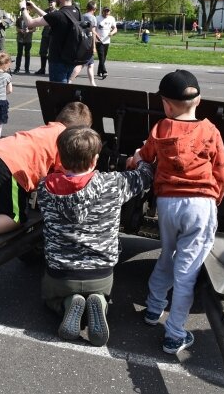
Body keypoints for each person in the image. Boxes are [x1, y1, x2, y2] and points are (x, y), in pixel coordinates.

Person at [127, 69, 224, 355]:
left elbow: (145, 156)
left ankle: (153, 308)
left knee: (168, 254)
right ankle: (174, 334)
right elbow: (222, 171)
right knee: (187, 272)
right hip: (200, 204)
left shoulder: (160, 128)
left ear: (166, 104)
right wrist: (215, 201)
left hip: (168, 204)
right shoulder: (209, 130)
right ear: (199, 101)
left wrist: (132, 159)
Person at [37, 126, 153, 346]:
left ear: (60, 157)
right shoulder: (114, 183)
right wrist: (139, 159)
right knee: (99, 290)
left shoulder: (45, 187)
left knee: (50, 298)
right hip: (101, 273)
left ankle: (66, 304)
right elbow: (146, 176)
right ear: (96, 159)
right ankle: (100, 300)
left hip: (61, 273)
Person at [0, 101, 93, 267]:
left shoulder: (46, 129)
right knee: (17, 217)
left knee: (3, 202)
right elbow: (64, 176)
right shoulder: (66, 142)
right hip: (7, 167)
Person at [19, 0, 80, 83]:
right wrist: (34, 7)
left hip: (58, 62)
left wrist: (23, 8)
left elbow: (30, 23)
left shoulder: (58, 15)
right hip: (71, 60)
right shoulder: (76, 12)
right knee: (66, 92)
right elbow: (49, 18)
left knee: (58, 94)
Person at [68, 1, 97, 86]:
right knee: (81, 64)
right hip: (89, 43)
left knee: (90, 64)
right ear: (94, 9)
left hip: (81, 41)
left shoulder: (82, 16)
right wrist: (94, 46)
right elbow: (93, 32)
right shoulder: (93, 18)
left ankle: (92, 83)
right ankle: (69, 81)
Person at [34, 0, 56, 75]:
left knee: (52, 53)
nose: (50, 3)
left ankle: (51, 70)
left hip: (54, 35)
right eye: (49, 2)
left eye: (52, 2)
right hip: (46, 34)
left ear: (55, 3)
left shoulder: (58, 12)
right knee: (43, 52)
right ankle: (42, 68)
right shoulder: (45, 11)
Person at [95, 6, 116, 79]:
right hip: (99, 40)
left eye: (108, 11)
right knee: (101, 57)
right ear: (102, 11)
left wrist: (112, 32)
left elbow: (115, 28)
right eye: (105, 11)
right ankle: (104, 71)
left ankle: (99, 71)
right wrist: (96, 36)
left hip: (107, 41)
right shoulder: (97, 18)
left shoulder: (111, 18)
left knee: (103, 58)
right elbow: (93, 29)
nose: (107, 13)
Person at [13, 8, 36, 74]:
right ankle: (17, 68)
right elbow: (17, 28)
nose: (25, 12)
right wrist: (20, 30)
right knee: (19, 54)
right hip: (20, 39)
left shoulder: (32, 19)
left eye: (26, 11)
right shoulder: (19, 19)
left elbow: (34, 29)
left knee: (27, 54)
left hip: (28, 39)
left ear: (29, 11)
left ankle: (27, 69)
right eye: (23, 11)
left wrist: (29, 31)